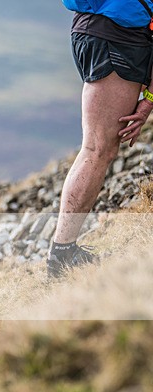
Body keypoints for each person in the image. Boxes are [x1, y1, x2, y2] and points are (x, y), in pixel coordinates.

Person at [49, 0, 153, 277]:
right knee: (97, 150)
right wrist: (150, 99)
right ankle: (61, 254)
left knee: (96, 148)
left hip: (91, 29)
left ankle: (63, 251)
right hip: (120, 36)